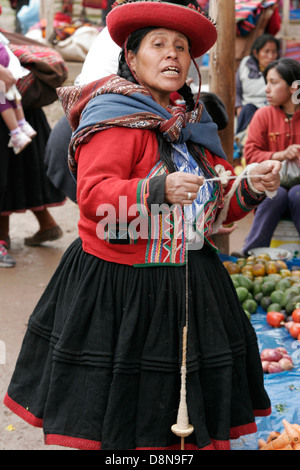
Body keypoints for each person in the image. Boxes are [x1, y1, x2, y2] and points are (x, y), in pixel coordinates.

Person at [4, 1, 281, 450]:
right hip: (123, 291)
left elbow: (212, 215)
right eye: (158, 45)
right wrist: (156, 191)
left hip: (193, 284)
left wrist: (250, 187)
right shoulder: (113, 118)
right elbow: (94, 198)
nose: (172, 55)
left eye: (181, 47)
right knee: (128, 416)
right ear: (131, 58)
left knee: (183, 412)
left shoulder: (193, 126)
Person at [0, 38, 65, 267]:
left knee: (7, 169)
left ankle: (2, 239)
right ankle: (46, 224)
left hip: (7, 104)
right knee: (25, 165)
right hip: (21, 105)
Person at [235, 58, 300, 257]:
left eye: (274, 82)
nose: (267, 89)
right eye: (267, 82)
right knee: (275, 194)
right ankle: (250, 253)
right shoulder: (262, 115)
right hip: (271, 184)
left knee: (298, 194)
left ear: (293, 87)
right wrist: (280, 155)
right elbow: (251, 154)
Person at [235, 33, 280, 134]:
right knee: (248, 110)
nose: (271, 56)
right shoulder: (245, 64)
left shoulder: (279, 69)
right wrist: (239, 109)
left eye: (274, 52)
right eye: (266, 51)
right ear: (256, 53)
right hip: (247, 111)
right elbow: (237, 90)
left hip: (270, 109)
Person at [0, 41, 37, 154]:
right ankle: (23, 124)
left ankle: (16, 134)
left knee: (2, 99)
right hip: (5, 55)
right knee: (12, 92)